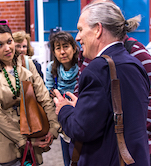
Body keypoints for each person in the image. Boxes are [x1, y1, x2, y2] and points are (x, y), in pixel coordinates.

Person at [54, 2, 150, 165]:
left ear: (98, 29)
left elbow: (80, 129)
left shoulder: (98, 68)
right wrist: (84, 108)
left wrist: (64, 109)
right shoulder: (134, 63)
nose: (77, 37)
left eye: (80, 29)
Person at [0, 20, 60, 165]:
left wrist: (53, 127)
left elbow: (43, 97)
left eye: (9, 41)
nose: (7, 48)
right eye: (0, 45)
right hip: (1, 141)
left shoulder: (26, 64)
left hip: (31, 129)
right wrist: (24, 141)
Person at [45, 31, 79, 166]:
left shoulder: (82, 66)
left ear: (74, 48)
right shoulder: (51, 69)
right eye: (58, 48)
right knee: (68, 159)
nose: (62, 52)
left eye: (66, 46)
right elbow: (49, 93)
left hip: (81, 116)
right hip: (63, 120)